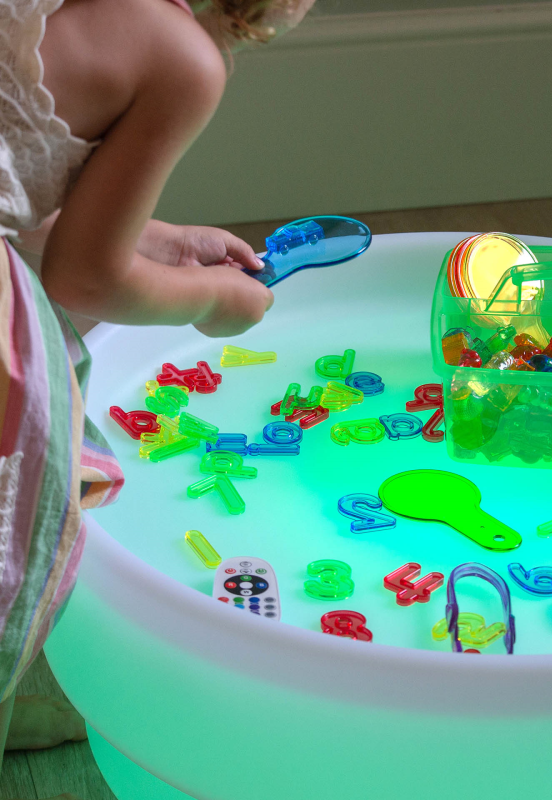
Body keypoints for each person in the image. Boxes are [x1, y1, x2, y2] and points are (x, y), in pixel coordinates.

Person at [0, 1, 316, 797]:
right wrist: (211, 301)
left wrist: (163, 242)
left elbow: (19, 182)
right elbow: (87, 278)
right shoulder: (181, 58)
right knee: (17, 526)